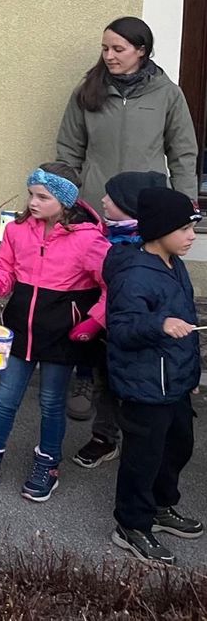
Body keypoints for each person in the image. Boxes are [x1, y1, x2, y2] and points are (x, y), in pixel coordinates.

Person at [56, 16, 197, 421]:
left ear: (142, 51)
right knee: (88, 296)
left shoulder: (167, 94)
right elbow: (68, 152)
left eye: (118, 48)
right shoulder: (88, 92)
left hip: (147, 217)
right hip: (97, 212)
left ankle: (137, 393)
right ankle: (86, 374)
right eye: (105, 48)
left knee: (134, 301)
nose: (109, 56)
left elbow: (183, 153)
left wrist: (184, 211)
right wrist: (69, 204)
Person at [0, 163, 110, 501]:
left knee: (51, 401)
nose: (33, 202)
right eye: (31, 194)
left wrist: (94, 320)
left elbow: (110, 285)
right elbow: (6, 267)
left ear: (65, 200)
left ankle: (48, 463)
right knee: (4, 398)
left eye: (42, 197)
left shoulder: (89, 240)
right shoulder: (18, 230)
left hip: (63, 333)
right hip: (19, 330)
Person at [105, 187, 203, 565]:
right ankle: (131, 525)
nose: (191, 235)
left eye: (193, 226)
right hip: (144, 386)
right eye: (184, 228)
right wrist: (159, 323)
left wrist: (190, 372)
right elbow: (122, 329)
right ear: (159, 230)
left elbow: (187, 322)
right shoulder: (133, 275)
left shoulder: (173, 263)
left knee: (178, 446)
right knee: (142, 458)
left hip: (173, 381)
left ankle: (161, 506)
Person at [70, 170, 168, 470]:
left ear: (128, 206)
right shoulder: (103, 234)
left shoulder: (147, 246)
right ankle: (104, 437)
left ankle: (145, 445)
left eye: (110, 198)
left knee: (135, 391)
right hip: (104, 333)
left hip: (136, 334)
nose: (102, 199)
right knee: (106, 385)